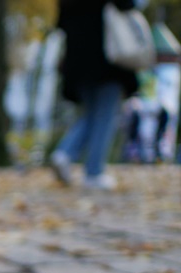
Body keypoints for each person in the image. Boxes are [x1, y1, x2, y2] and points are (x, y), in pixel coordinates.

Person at [50, 0, 140, 190]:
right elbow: (128, 5)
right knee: (106, 115)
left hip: (77, 59)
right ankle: (94, 172)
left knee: (90, 113)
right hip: (106, 56)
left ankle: (65, 153)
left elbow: (61, 24)